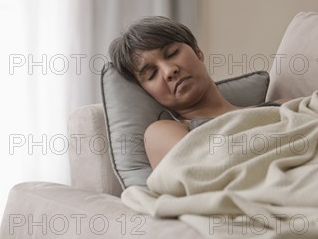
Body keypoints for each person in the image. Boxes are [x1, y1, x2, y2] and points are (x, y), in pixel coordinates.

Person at [108, 16, 291, 168]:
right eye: (152, 74)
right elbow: (199, 178)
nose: (169, 71)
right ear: (147, 93)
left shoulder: (283, 107)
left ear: (198, 51)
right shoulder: (163, 132)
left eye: (172, 53)